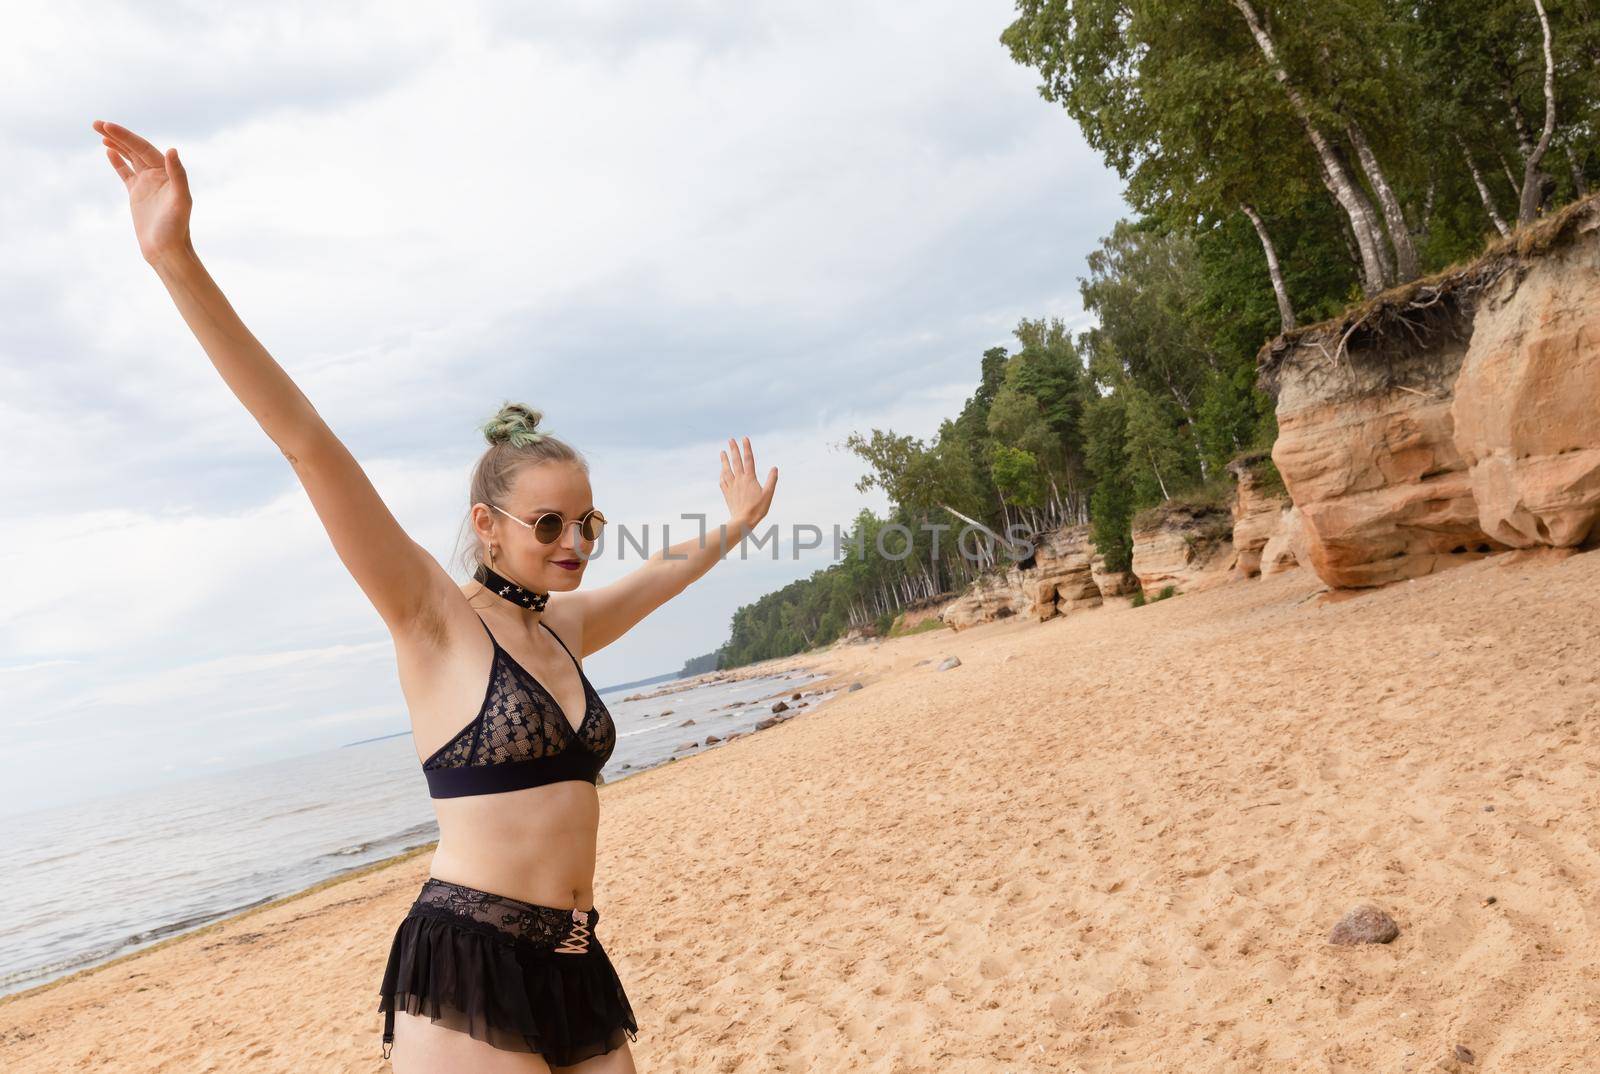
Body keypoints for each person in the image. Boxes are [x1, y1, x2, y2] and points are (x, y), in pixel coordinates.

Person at [92, 119, 778, 1073]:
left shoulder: (565, 629)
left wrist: (736, 526)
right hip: (466, 962)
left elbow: (661, 580)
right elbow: (306, 441)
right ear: (487, 524)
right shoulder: (433, 621)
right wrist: (177, 262)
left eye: (588, 523)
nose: (575, 543)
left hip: (576, 962)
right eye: (550, 525)